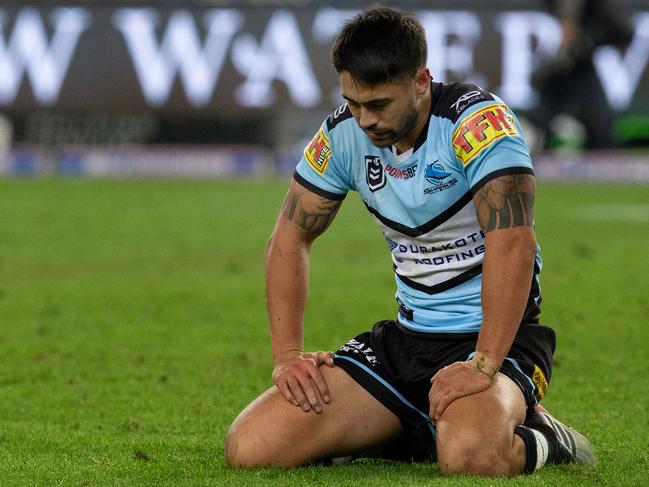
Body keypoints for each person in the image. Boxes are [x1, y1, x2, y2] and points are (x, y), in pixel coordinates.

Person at [225, 7, 595, 477]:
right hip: (407, 343)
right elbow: (289, 238)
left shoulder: (477, 124)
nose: (364, 120)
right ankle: (415, 426)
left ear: (421, 80)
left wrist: (482, 363)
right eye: (353, 103)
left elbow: (513, 242)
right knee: (252, 446)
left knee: (471, 459)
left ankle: (549, 438)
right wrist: (288, 357)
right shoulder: (344, 134)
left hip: (500, 341)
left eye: (378, 104)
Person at [531, 0, 633, 149]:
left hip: (580, 66)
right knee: (540, 123)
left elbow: (622, 31)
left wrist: (584, 41)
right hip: (562, 68)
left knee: (600, 128)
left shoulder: (597, 8)